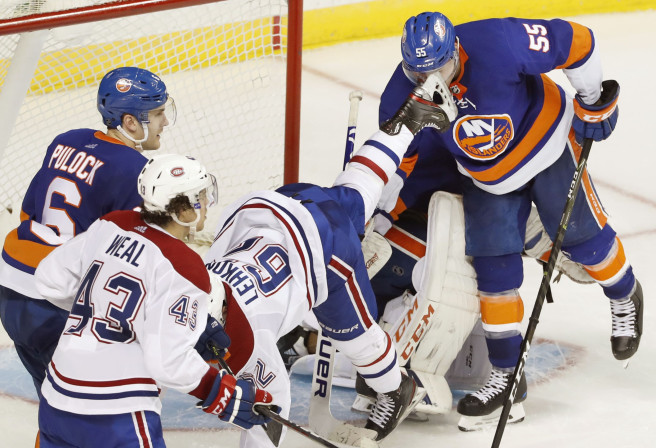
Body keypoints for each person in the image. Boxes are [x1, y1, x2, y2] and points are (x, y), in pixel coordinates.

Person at [378, 12, 644, 430]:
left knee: (585, 244)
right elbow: (397, 164)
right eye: (418, 71)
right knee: (493, 273)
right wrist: (378, 211)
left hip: (550, 147)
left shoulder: (497, 40)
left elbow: (575, 40)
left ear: (456, 52)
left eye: (440, 69)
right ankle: (504, 375)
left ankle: (624, 294)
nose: (431, 80)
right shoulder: (402, 97)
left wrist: (592, 100)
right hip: (485, 179)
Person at [201, 73, 457, 445]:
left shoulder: (250, 342)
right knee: (354, 190)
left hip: (327, 252)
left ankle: (398, 387)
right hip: (277, 207)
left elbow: (269, 414)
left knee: (356, 336)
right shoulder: (186, 282)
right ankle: (410, 121)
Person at [33, 154, 273, 447]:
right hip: (116, 411)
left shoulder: (111, 224)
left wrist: (104, 311)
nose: (207, 203)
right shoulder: (185, 265)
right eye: (200, 196)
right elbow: (167, 363)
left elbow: (49, 278)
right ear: (183, 209)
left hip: (56, 397)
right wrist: (220, 393)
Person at [0, 66, 175, 398]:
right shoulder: (138, 172)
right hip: (55, 303)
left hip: (10, 286)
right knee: (105, 409)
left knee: (57, 409)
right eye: (157, 113)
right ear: (129, 122)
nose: (164, 122)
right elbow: (129, 260)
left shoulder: (66, 140)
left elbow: (28, 211)